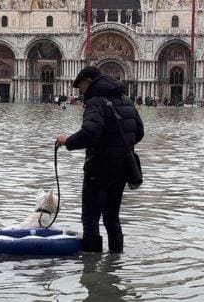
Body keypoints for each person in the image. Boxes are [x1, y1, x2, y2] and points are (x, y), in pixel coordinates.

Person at [56, 66, 144, 253]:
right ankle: (115, 261)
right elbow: (139, 132)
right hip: (121, 170)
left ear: (88, 81)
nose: (81, 93)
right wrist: (118, 146)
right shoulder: (126, 99)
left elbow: (89, 133)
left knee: (90, 219)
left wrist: (67, 141)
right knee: (112, 218)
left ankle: (91, 267)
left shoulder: (96, 101)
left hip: (99, 169)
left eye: (81, 88)